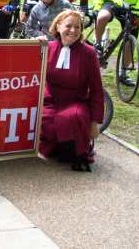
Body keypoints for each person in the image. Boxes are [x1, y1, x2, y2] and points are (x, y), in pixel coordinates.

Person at [38, 10, 104, 171]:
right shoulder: (46, 47)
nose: (73, 31)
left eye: (78, 27)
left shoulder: (89, 53)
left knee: (69, 119)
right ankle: (60, 148)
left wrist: (95, 123)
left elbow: (96, 89)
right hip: (50, 101)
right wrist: (35, 46)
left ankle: (80, 148)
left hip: (77, 102)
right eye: (68, 26)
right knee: (51, 126)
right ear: (59, 27)